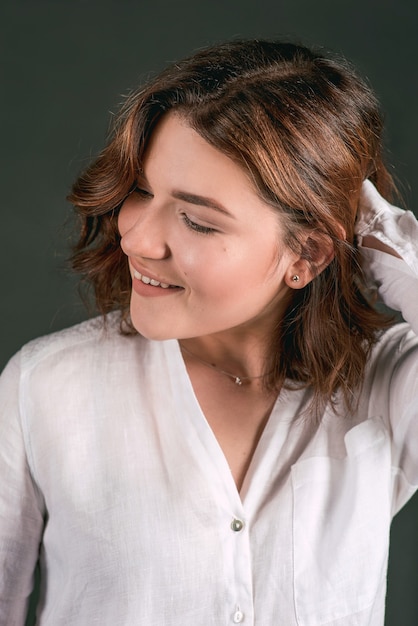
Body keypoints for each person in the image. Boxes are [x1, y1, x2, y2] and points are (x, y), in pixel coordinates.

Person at [0, 39, 417, 626]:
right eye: (141, 191)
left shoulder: (389, 385)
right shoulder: (46, 385)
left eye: (197, 220)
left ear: (310, 252)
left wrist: (386, 239)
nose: (138, 239)